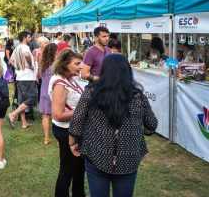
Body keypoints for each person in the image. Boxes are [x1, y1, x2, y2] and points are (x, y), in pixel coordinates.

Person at [69, 54, 158, 197]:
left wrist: (72, 142)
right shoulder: (137, 96)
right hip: (127, 157)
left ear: (103, 71)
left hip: (96, 153)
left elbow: (77, 119)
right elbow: (151, 124)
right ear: (127, 71)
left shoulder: (92, 92)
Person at [50, 49, 85, 197]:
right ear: (65, 64)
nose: (81, 66)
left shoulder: (68, 78)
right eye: (77, 63)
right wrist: (84, 109)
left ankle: (78, 193)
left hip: (73, 129)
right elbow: (58, 115)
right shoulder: (60, 84)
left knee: (79, 166)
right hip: (66, 131)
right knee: (67, 168)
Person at [7, 31, 37, 129]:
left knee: (22, 100)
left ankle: (24, 123)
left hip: (20, 77)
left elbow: (10, 60)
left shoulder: (17, 48)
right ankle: (13, 114)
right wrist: (31, 65)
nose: (30, 38)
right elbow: (27, 55)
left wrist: (18, 66)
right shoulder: (25, 47)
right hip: (27, 77)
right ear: (24, 38)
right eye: (29, 37)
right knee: (33, 97)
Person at [39, 43, 58, 145]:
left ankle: (46, 138)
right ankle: (58, 139)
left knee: (45, 116)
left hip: (44, 91)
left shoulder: (43, 64)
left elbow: (40, 77)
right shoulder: (56, 65)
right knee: (56, 116)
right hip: (54, 92)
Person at [33, 36, 50, 104]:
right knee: (40, 91)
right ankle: (41, 106)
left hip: (48, 74)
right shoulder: (36, 51)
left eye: (48, 43)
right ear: (40, 44)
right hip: (39, 75)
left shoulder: (49, 51)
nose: (48, 44)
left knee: (48, 91)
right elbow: (34, 64)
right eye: (46, 43)